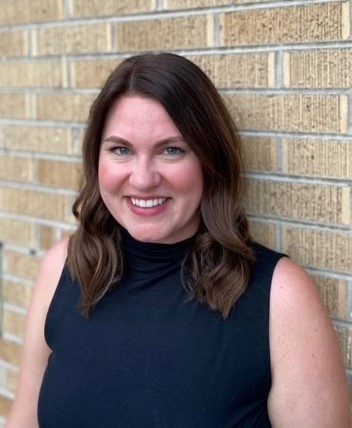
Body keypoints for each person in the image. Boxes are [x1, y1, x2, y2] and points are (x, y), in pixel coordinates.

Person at [6, 53, 350, 428]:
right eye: (121, 149)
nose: (143, 178)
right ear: (96, 158)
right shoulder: (65, 266)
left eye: (172, 150)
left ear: (209, 159)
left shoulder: (279, 296)